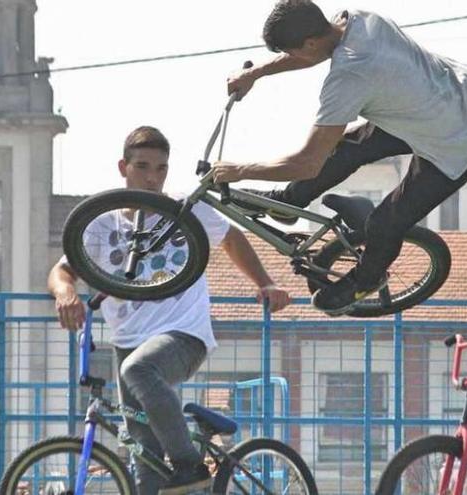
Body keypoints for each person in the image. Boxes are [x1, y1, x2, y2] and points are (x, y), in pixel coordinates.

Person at [48, 126, 291, 495]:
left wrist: (264, 283)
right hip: (127, 343)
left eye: (161, 169)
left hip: (183, 336)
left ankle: (190, 464)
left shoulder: (183, 210)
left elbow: (231, 238)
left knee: (139, 369)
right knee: (143, 461)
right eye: (143, 166)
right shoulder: (102, 223)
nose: (152, 177)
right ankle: (184, 476)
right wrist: (65, 294)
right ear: (122, 167)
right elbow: (62, 271)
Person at [211, 0, 467, 316]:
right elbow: (313, 51)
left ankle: (366, 280)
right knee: (346, 148)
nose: (294, 58)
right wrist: (257, 73)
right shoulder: (355, 19)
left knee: (386, 221)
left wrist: (240, 170)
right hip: (440, 102)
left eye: (294, 52)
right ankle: (290, 202)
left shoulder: (349, 76)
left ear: (310, 42)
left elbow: (307, 163)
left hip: (458, 143)